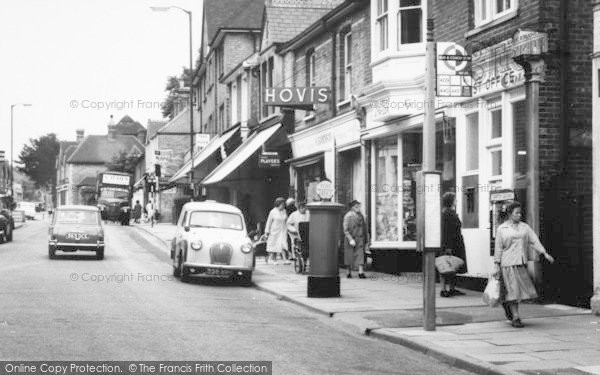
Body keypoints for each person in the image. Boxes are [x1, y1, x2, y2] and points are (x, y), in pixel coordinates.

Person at [493, 201, 554, 328]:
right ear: (510, 214)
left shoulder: (525, 227)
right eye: (517, 213)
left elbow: (534, 241)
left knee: (519, 292)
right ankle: (516, 317)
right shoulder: (501, 229)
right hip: (507, 264)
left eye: (520, 213)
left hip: (521, 263)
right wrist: (496, 265)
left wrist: (544, 253)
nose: (519, 215)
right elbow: (498, 248)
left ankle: (508, 305)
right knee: (513, 291)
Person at [440, 192, 467, 297]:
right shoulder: (447, 214)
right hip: (451, 244)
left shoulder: (450, 212)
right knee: (445, 266)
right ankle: (444, 289)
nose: (456, 201)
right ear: (450, 201)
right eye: (455, 199)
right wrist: (448, 247)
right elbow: (447, 231)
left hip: (454, 244)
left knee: (453, 267)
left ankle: (451, 288)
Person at [343, 200, 369, 279]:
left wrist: (367, 240)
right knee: (349, 256)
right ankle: (348, 272)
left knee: (360, 255)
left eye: (359, 206)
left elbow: (365, 228)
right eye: (356, 207)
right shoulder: (348, 216)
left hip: (360, 239)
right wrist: (350, 239)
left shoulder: (361, 215)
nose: (358, 208)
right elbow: (345, 229)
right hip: (351, 239)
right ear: (352, 208)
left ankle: (361, 272)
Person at [263, 197, 289, 265]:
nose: (283, 206)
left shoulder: (284, 211)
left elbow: (286, 220)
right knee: (274, 246)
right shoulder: (272, 212)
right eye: (282, 204)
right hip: (274, 231)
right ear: (278, 204)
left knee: (283, 244)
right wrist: (266, 232)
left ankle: (285, 259)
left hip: (283, 230)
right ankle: (274, 260)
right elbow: (269, 222)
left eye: (284, 204)